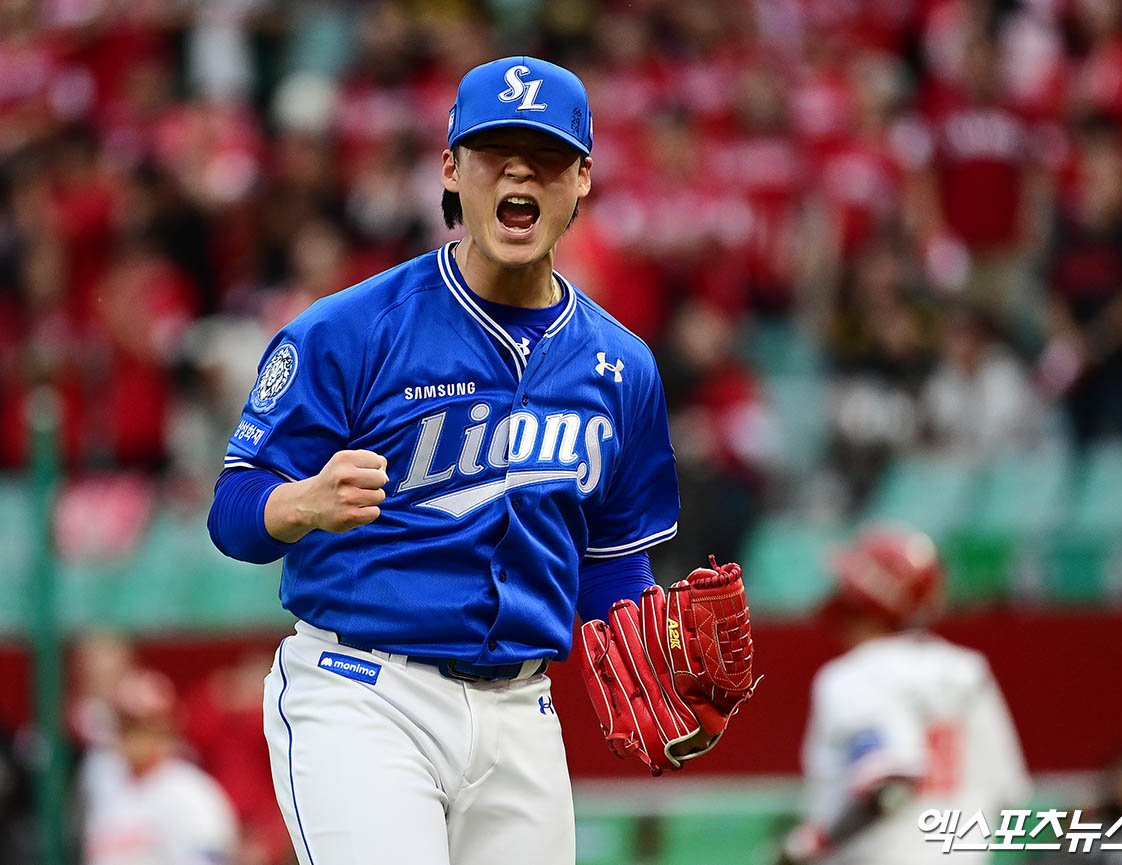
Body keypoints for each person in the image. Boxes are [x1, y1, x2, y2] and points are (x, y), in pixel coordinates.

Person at [207, 57, 689, 865]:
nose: (518, 171)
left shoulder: (623, 366)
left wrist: (651, 670)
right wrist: (303, 502)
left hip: (521, 712)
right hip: (363, 693)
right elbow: (233, 513)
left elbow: (610, 565)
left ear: (582, 179)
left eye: (543, 155)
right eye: (495, 150)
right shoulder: (350, 330)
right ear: (451, 171)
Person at [780, 526, 1031, 865]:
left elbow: (888, 784)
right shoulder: (969, 671)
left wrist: (810, 845)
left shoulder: (852, 676)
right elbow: (1008, 791)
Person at [81, 668, 237, 865]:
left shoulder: (192, 793)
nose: (132, 737)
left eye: (141, 726)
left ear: (165, 727)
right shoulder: (105, 784)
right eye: (125, 725)